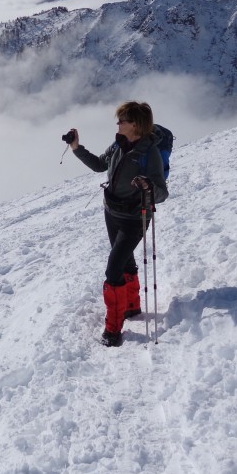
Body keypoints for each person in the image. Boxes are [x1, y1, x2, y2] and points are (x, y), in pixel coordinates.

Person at [66, 101, 168, 347]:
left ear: (135, 125)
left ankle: (113, 330)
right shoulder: (119, 144)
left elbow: (162, 193)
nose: (118, 124)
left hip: (135, 218)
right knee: (125, 261)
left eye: (122, 120)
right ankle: (131, 307)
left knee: (113, 269)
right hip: (112, 211)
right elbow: (100, 165)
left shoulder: (149, 153)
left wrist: (148, 186)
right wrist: (76, 147)